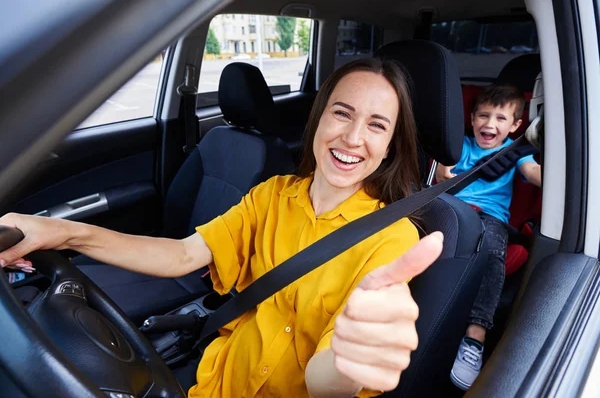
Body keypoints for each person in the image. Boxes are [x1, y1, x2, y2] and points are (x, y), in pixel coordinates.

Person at [0, 58, 444, 398]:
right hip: (216, 380)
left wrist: (350, 361)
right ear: (319, 120)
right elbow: (183, 255)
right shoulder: (272, 194)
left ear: (388, 148)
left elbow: (324, 383)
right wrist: (64, 232)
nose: (352, 138)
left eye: (376, 125)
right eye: (342, 114)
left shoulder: (393, 238)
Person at [436, 84, 542, 391]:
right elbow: (445, 166)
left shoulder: (515, 154)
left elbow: (534, 172)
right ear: (471, 118)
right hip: (451, 209)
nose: (490, 124)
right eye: (483, 115)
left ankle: (475, 335)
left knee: (493, 253)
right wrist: (443, 170)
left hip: (489, 218)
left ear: (515, 125)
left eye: (500, 118)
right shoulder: (463, 146)